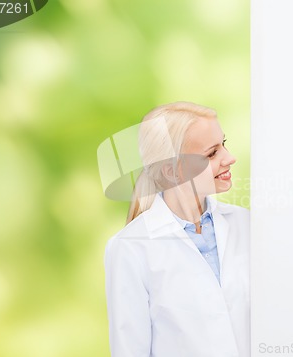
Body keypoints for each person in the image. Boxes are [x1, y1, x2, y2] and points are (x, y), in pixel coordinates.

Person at [104, 102, 250, 357]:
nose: (229, 157)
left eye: (224, 144)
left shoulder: (245, 224)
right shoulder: (130, 248)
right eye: (212, 153)